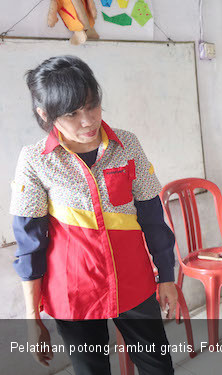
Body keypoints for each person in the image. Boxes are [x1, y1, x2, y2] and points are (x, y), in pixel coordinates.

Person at [10, 55, 176, 374]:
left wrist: (167, 276)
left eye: (92, 105)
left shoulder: (127, 144)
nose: (87, 121)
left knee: (158, 367)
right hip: (75, 296)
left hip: (135, 284)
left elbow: (153, 218)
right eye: (72, 113)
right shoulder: (34, 160)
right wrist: (33, 321)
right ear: (46, 114)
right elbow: (29, 246)